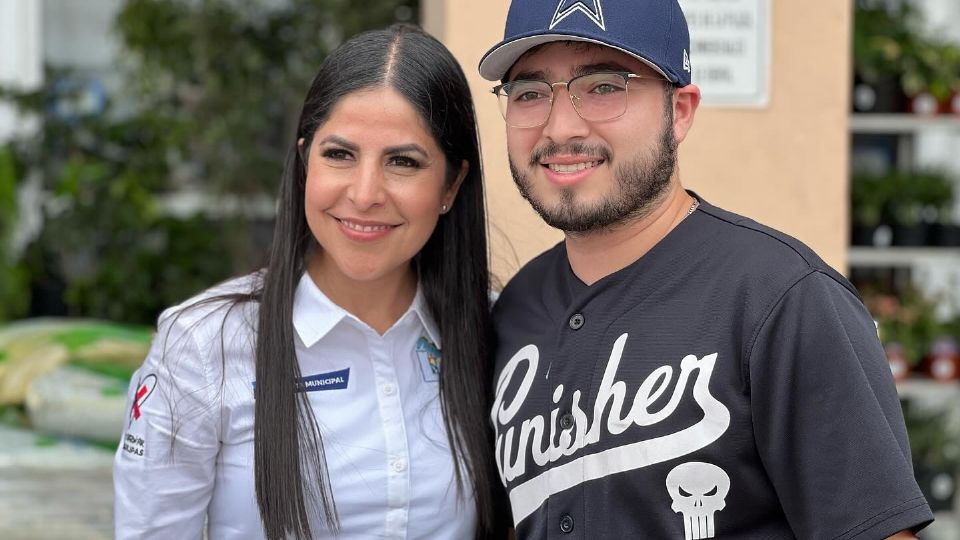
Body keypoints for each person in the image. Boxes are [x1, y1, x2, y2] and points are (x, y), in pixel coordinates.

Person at [477, 1, 934, 538]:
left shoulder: (783, 299)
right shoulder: (516, 310)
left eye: (603, 87)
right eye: (530, 93)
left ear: (682, 111)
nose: (560, 126)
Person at [114, 24, 501, 540]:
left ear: (451, 184)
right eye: (339, 154)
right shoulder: (204, 343)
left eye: (403, 162)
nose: (365, 194)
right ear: (304, 162)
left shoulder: (497, 329)